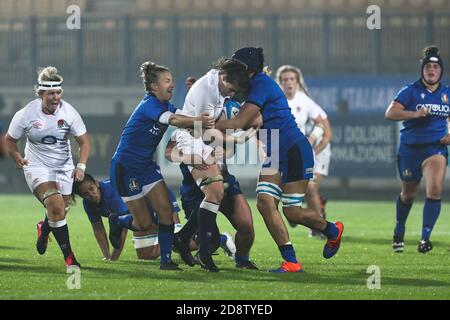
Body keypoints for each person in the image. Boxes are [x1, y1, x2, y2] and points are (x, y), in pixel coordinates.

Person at [215, 47, 344, 273]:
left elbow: (240, 122)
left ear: (247, 69)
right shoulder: (251, 84)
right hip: (275, 150)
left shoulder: (262, 85)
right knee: (265, 203)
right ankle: (291, 262)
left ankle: (332, 230)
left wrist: (202, 124)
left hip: (294, 149)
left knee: (292, 212)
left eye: (237, 65)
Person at [110, 61, 214, 270]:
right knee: (144, 224)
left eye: (172, 80)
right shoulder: (149, 105)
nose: (172, 84)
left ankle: (166, 260)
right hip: (125, 168)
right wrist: (196, 120)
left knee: (165, 210)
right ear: (154, 86)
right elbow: (175, 120)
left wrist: (195, 96)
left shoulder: (166, 104)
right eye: (167, 81)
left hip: (147, 166)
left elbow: (182, 116)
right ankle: (119, 220)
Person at [4, 66, 91, 270]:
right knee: (56, 205)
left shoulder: (69, 112)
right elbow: (9, 140)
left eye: (58, 92)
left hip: (63, 166)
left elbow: (84, 142)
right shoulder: (26, 113)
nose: (55, 97)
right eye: (50, 93)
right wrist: (17, 155)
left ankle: (44, 230)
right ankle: (70, 258)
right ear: (41, 93)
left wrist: (80, 166)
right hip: (36, 165)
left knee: (61, 209)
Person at [170, 58, 252, 271]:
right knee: (215, 189)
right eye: (231, 90)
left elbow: (211, 130)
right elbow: (203, 131)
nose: (232, 95)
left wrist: (227, 145)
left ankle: (184, 238)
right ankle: (204, 254)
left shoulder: (219, 88)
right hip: (190, 139)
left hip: (200, 139)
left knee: (218, 193)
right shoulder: (208, 90)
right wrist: (237, 139)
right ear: (224, 79)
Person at [385, 45, 450, 253]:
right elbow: (390, 113)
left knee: (434, 190)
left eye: (435, 67)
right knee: (408, 194)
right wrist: (414, 114)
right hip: (410, 150)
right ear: (422, 70)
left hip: (435, 149)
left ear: (441, 71)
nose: (431, 70)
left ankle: (425, 239)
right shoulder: (410, 91)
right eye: (428, 66)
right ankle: (399, 229)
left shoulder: (447, 93)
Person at [276, 65, 333, 238]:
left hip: (312, 151)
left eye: (292, 79)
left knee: (310, 188)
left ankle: (320, 226)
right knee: (294, 190)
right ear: (280, 83)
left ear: (298, 82)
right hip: (290, 152)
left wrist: (313, 145)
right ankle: (303, 214)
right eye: (285, 80)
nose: (289, 83)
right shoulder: (277, 100)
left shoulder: (304, 100)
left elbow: (324, 128)